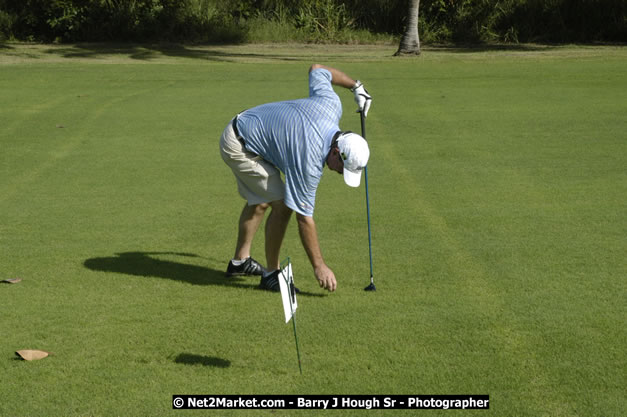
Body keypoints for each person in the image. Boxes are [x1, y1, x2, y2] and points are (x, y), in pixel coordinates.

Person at [219, 64, 372, 293]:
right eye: (342, 169)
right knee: (281, 205)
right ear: (336, 153)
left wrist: (355, 86)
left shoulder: (331, 106)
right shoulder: (308, 160)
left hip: (250, 126)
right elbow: (304, 218)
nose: (340, 174)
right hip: (240, 144)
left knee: (262, 199)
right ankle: (271, 275)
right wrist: (319, 266)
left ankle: (240, 262)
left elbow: (318, 69)